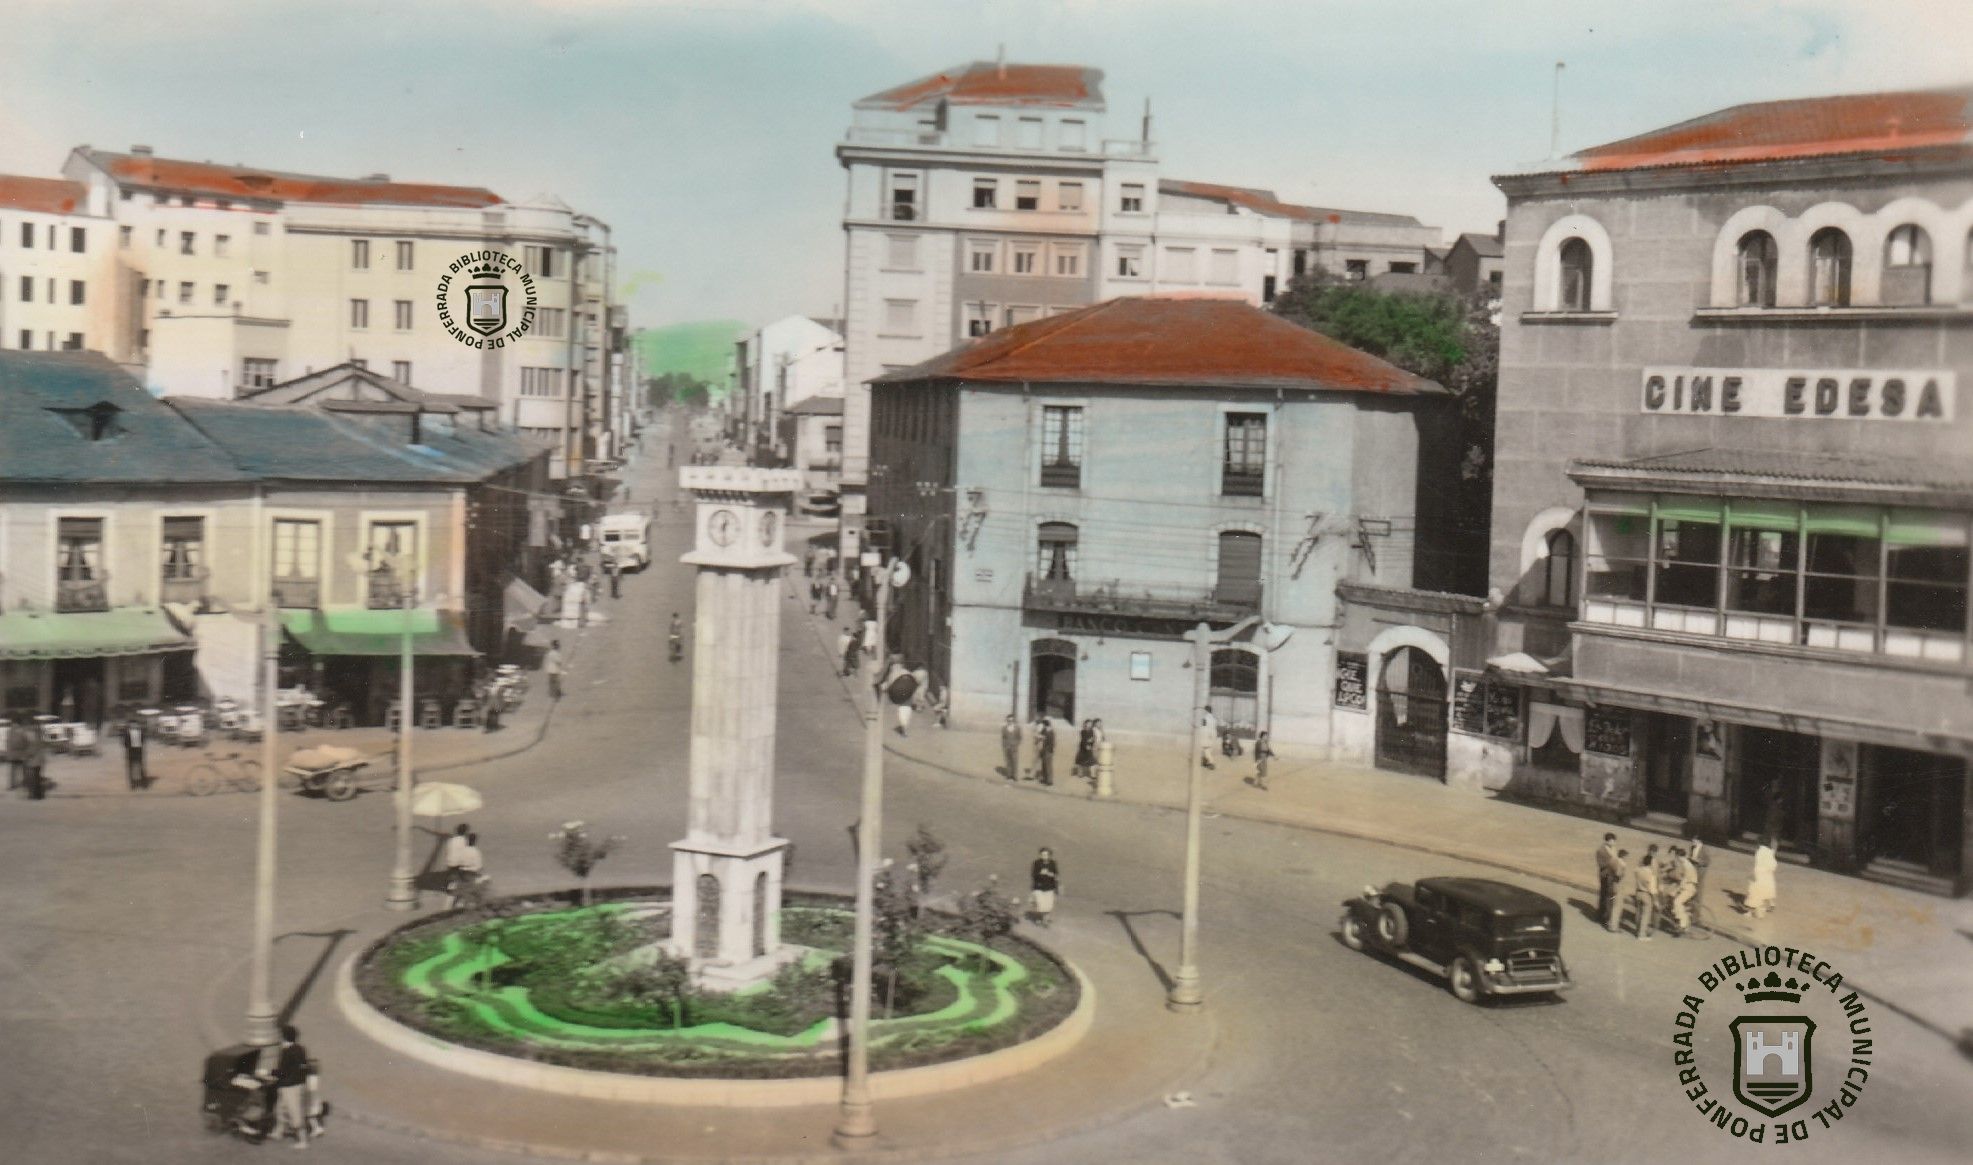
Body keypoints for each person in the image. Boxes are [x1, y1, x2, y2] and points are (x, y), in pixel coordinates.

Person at [257, 1024, 322, 1147]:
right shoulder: (301, 1049)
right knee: (280, 1109)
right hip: (297, 1085)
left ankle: (303, 1141)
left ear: (284, 1038)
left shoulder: (286, 1052)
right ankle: (278, 1133)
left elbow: (282, 1071)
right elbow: (301, 1067)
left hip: (289, 1087)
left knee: (294, 1112)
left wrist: (266, 1072)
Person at [446, 830, 486, 909]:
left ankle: (452, 907)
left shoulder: (463, 850)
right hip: (471, 874)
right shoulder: (476, 851)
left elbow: (458, 862)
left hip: (462, 873)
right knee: (476, 890)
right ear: (475, 841)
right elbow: (479, 866)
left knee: (459, 892)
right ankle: (477, 906)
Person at [1630, 843, 1661, 940]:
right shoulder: (1653, 864)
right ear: (1655, 852)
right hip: (1647, 892)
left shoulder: (1638, 868)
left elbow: (1636, 871)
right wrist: (1656, 900)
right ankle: (1642, 934)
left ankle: (1638, 930)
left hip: (1638, 890)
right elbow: (1654, 883)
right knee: (1646, 914)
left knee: (1638, 912)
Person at [1595, 833, 1624, 932]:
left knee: (1609, 896)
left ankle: (1605, 915)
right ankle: (1603, 916)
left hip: (1612, 876)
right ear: (1607, 841)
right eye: (1612, 840)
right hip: (1606, 876)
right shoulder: (1601, 850)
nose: (1614, 842)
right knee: (1605, 896)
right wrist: (1611, 864)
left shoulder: (1613, 849)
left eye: (1614, 840)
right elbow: (1601, 864)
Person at [1666, 846, 1698, 934]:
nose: (1676, 859)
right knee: (1673, 900)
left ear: (1680, 856)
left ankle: (1682, 925)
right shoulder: (1685, 863)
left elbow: (1684, 881)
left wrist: (1676, 890)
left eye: (1677, 857)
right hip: (1686, 886)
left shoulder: (1687, 866)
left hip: (1689, 888)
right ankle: (1680, 919)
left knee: (1677, 902)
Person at [1744, 837, 1778, 918]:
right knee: (1765, 891)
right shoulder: (1770, 852)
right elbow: (1773, 864)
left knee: (1754, 893)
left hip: (1759, 874)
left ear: (1759, 844)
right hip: (1768, 875)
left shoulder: (1759, 852)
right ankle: (1767, 906)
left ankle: (1750, 912)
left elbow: (1758, 864)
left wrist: (1753, 874)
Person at [1028, 847, 1060, 927]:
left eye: (1046, 854)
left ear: (1049, 855)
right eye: (1042, 854)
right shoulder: (1036, 863)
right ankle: (1040, 919)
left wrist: (1051, 875)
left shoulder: (1053, 863)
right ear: (1040, 855)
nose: (1044, 856)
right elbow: (1033, 875)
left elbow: (1056, 874)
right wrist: (1041, 873)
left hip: (1049, 887)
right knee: (1040, 904)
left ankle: (1045, 919)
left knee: (1048, 905)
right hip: (1038, 887)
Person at [122, 715, 148, 790]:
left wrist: (140, 746)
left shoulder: (140, 732)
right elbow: (125, 743)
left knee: (141, 766)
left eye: (135, 724)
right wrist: (129, 748)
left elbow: (143, 740)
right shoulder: (127, 733)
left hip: (139, 750)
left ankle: (143, 784)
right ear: (130, 725)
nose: (134, 725)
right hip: (131, 751)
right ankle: (132, 784)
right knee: (130, 768)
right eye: (132, 724)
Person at [1032, 716, 1056, 787]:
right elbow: (1040, 735)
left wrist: (1043, 738)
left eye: (1044, 724)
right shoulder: (1044, 730)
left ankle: (1049, 781)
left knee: (1048, 765)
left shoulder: (1051, 732)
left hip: (1048, 751)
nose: (1043, 726)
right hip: (1043, 750)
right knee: (1044, 765)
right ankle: (1045, 779)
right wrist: (1039, 736)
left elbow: (1052, 743)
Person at [3, 716, 25, 791]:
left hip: (14, 754)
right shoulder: (20, 731)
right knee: (18, 770)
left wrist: (7, 753)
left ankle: (14, 785)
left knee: (14, 771)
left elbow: (8, 743)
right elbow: (18, 743)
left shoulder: (9, 732)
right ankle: (15, 784)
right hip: (17, 754)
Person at [1000, 714, 1023, 781]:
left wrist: (1016, 744)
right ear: (1007, 721)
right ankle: (1009, 775)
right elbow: (1003, 738)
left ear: (1014, 721)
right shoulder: (1004, 728)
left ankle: (1015, 776)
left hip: (1014, 747)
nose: (1010, 722)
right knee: (1008, 761)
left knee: (1015, 761)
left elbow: (1019, 737)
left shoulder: (1017, 728)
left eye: (1012, 720)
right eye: (1009, 720)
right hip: (1007, 747)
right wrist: (1004, 746)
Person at [1073, 719, 1097, 784]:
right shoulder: (1082, 731)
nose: (1089, 725)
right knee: (1081, 762)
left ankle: (1093, 775)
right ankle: (1080, 774)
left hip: (1089, 749)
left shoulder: (1092, 731)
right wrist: (1087, 744)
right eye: (1088, 723)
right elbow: (1083, 740)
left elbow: (1093, 739)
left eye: (1090, 724)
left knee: (1092, 762)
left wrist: (1091, 742)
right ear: (1085, 724)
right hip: (1083, 748)